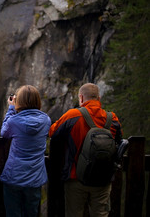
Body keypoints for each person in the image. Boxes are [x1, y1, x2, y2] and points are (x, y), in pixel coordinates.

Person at [49, 83, 123, 217]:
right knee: (101, 214)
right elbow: (118, 142)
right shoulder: (112, 119)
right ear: (98, 99)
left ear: (81, 98)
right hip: (102, 179)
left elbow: (52, 132)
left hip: (75, 178)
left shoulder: (72, 115)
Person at [0, 85, 51, 217]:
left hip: (14, 176)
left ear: (18, 101)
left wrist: (11, 108)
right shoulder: (46, 120)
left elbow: (4, 133)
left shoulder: (13, 121)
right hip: (35, 178)